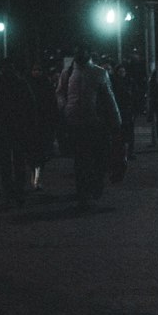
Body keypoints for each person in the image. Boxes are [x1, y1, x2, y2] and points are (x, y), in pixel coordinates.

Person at [56, 42, 121, 209]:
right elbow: (60, 93)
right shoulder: (68, 72)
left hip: (96, 123)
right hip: (76, 123)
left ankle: (95, 185)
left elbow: (109, 98)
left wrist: (116, 121)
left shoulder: (99, 73)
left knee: (98, 158)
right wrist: (64, 107)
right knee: (80, 160)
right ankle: (83, 194)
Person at [0, 58, 37, 206]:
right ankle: (19, 192)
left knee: (5, 161)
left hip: (3, 127)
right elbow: (31, 105)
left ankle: (8, 192)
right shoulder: (21, 83)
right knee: (19, 160)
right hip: (18, 126)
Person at [26, 61, 60, 189]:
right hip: (33, 124)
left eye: (38, 70)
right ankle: (35, 177)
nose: (36, 72)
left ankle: (36, 178)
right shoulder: (28, 84)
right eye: (34, 70)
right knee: (35, 153)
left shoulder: (46, 85)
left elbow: (52, 104)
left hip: (43, 124)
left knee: (40, 154)